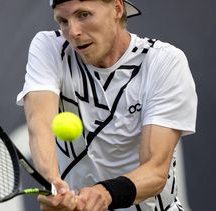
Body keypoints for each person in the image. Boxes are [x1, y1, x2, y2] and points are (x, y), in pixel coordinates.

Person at [16, 0, 197, 210]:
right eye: (63, 21)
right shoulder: (50, 47)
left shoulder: (163, 62)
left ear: (117, 9)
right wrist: (56, 184)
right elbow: (40, 124)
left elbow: (155, 171)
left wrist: (106, 192)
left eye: (83, 15)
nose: (73, 31)